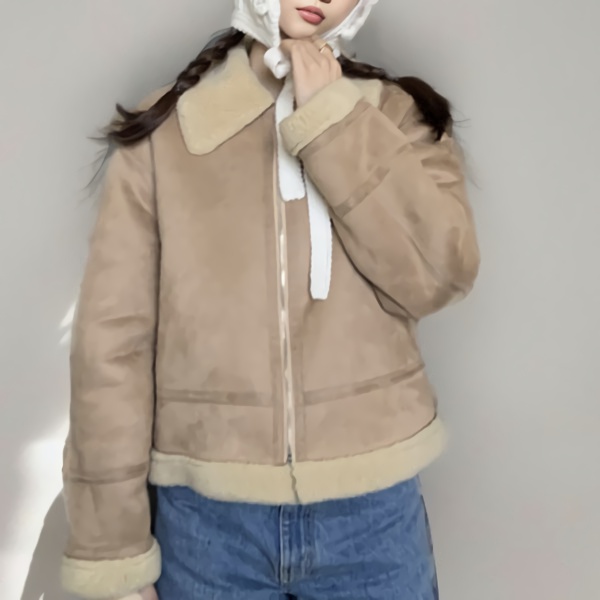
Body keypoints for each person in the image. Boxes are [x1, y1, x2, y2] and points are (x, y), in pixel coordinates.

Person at [60, 0, 480, 598]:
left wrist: (332, 119)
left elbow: (439, 276)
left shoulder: (396, 116)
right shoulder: (167, 131)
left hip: (372, 518)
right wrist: (111, 550)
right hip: (206, 526)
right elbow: (112, 350)